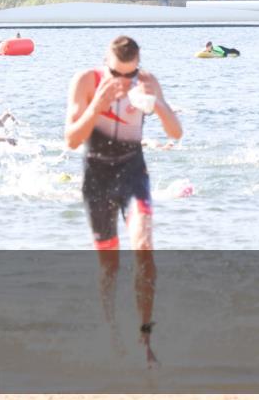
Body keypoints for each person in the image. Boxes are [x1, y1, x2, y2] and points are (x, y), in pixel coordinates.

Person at [64, 35, 182, 369]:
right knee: (110, 267)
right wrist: (97, 105)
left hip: (133, 176)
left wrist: (156, 104)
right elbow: (71, 139)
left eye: (131, 74)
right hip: (97, 180)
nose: (125, 82)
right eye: (119, 74)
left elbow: (176, 133)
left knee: (144, 247)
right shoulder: (87, 81)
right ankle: (111, 333)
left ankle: (145, 339)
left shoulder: (146, 82)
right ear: (107, 64)